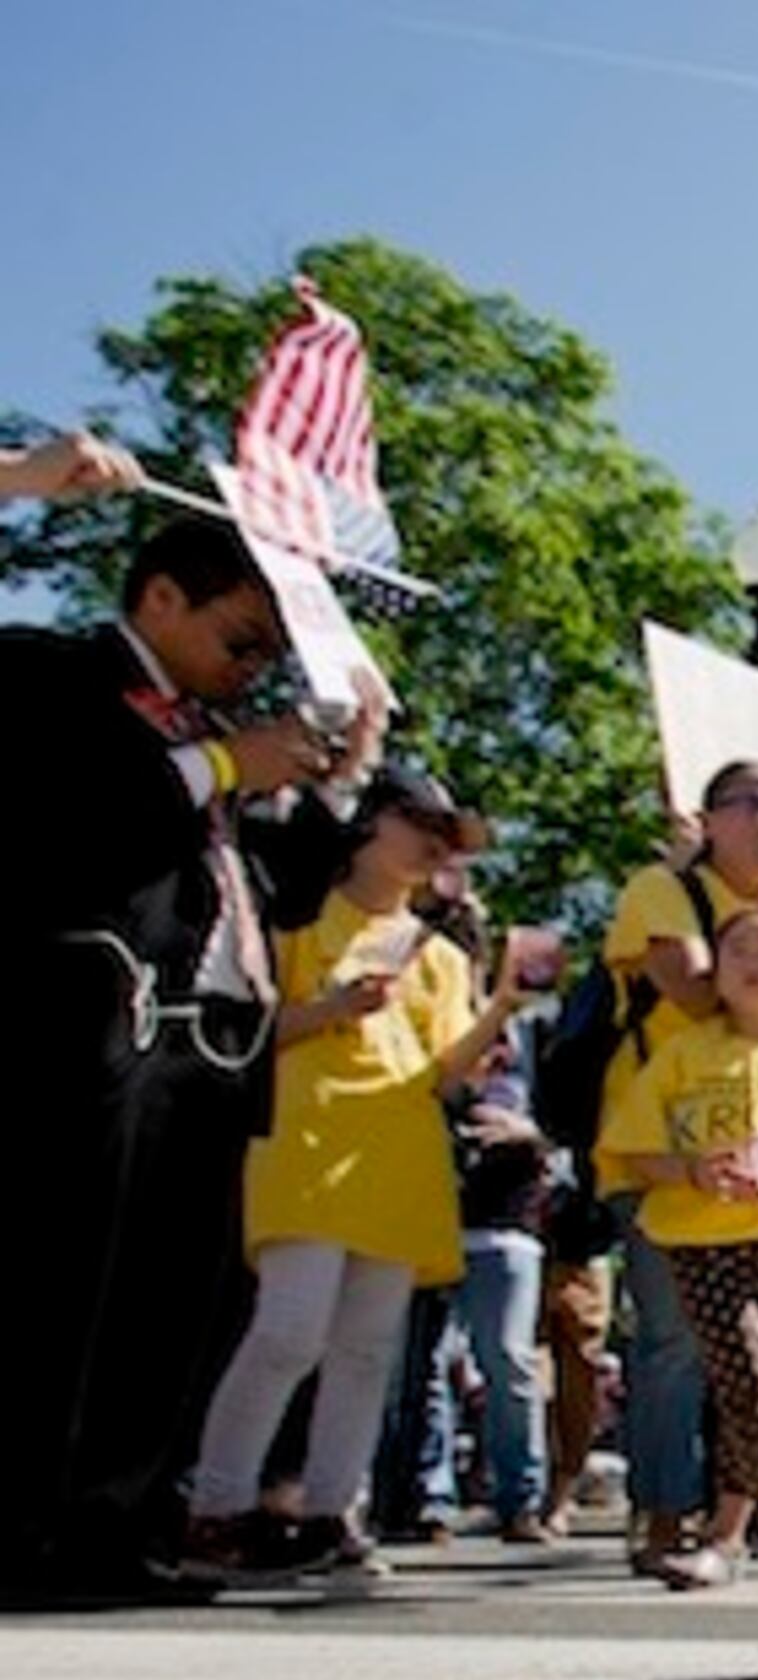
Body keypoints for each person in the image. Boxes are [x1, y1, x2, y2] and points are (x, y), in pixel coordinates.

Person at [15, 478, 377, 1605]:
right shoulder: (54, 675)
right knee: (65, 1284)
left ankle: (114, 1523)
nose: (254, 666)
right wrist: (224, 768)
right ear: (162, 597)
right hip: (89, 1026)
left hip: (210, 1049)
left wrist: (335, 782)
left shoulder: (217, 732)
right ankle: (28, 1530)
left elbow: (289, 896)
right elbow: (58, 820)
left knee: (179, 1301)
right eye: (240, 637)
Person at [188, 768, 537, 1576]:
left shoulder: (443, 956)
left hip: (399, 1151)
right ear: (371, 821)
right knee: (288, 1333)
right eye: (418, 822)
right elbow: (241, 1032)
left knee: (367, 1349)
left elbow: (444, 1074)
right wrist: (330, 1012)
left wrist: (500, 1010)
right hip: (306, 1140)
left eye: (444, 833)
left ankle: (330, 1511)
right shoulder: (302, 917)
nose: (431, 844)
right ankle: (216, 1507)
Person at [592, 759, 758, 1577]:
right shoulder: (663, 892)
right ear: (707, 820)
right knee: (677, 1339)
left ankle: (754, 1516)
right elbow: (692, 994)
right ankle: (666, 1509)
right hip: (670, 1138)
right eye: (757, 805)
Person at [596, 905, 758, 1590]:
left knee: (751, 1390)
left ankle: (726, 1537)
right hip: (696, 1240)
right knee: (750, 1379)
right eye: (737, 952)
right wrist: (694, 1171)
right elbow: (633, 1147)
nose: (754, 966)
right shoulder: (682, 1053)